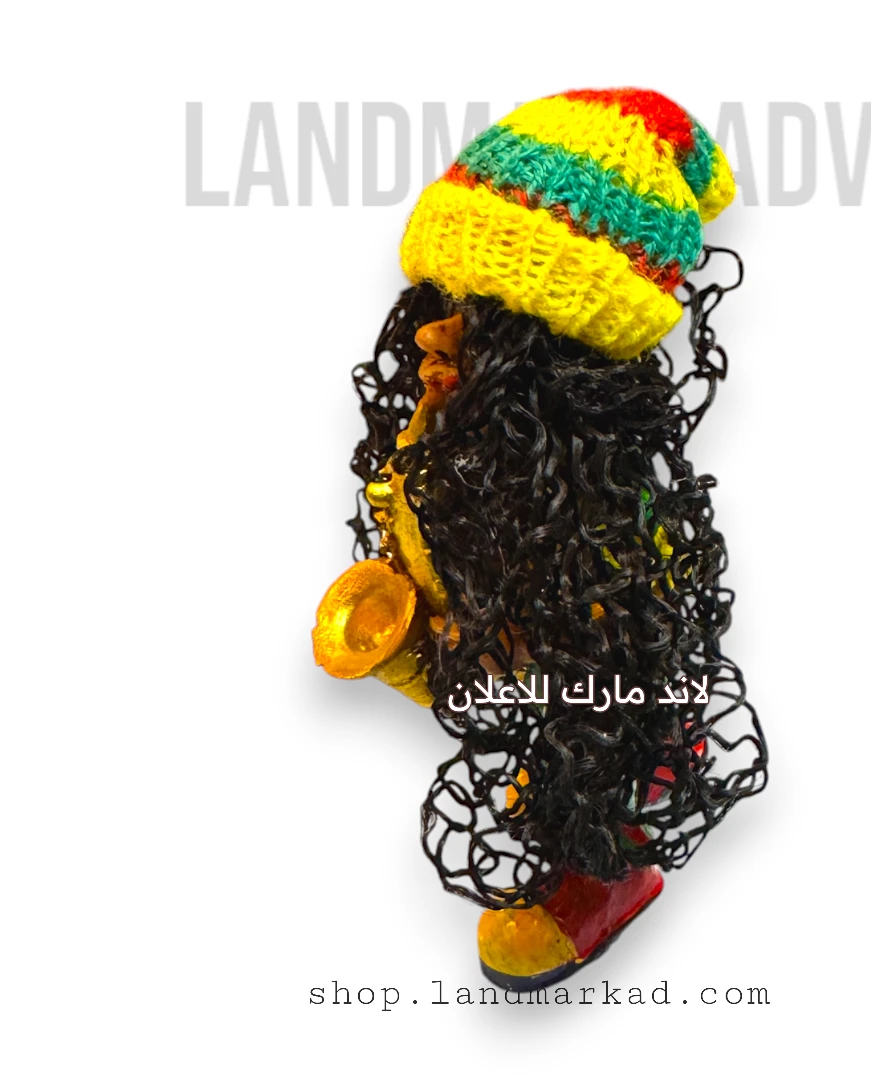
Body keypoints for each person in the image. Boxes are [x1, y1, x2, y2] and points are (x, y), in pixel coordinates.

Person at [313, 88, 768, 989]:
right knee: (543, 732)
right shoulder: (463, 432)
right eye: (439, 298)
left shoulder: (604, 513)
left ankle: (607, 867)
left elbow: (614, 636)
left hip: (605, 693)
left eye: (481, 317)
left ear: (554, 355)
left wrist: (512, 650)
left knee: (594, 748)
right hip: (519, 658)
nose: (434, 331)